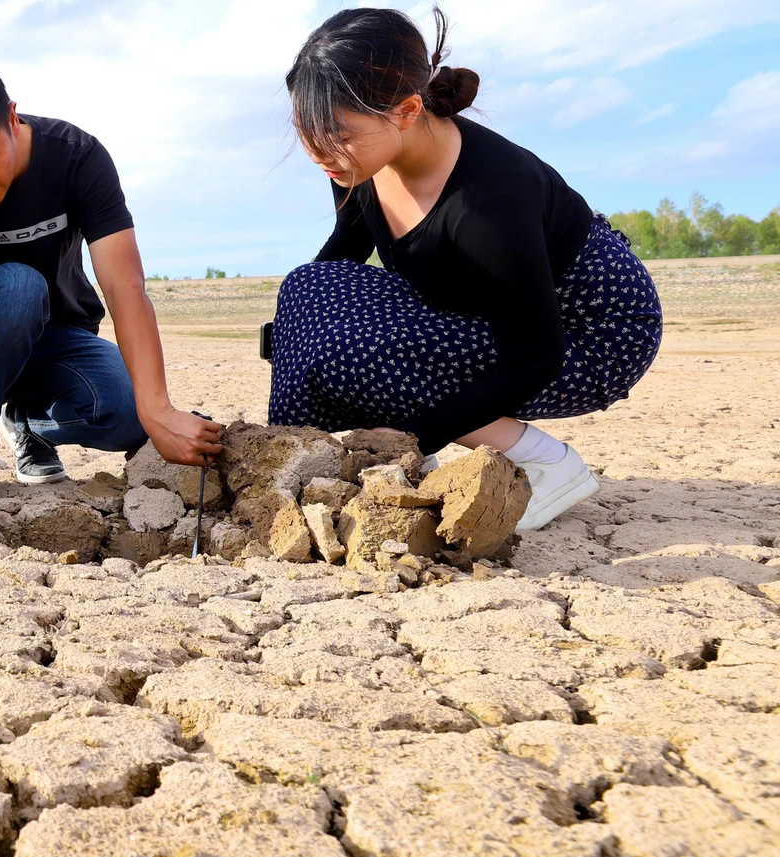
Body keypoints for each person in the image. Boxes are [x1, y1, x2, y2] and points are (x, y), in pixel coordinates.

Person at [273, 7, 662, 531]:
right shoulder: (359, 159)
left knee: (355, 353)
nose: (319, 151)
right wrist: (289, 336)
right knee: (304, 293)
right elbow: (342, 254)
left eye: (337, 133)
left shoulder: (487, 203)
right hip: (483, 310)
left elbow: (534, 355)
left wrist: (412, 436)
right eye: (306, 131)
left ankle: (545, 462)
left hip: (586, 334)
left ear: (407, 110)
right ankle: (295, 461)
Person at [0, 56, 220, 498]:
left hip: (57, 335)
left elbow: (124, 287)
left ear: (11, 118)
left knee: (127, 415)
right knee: (18, 287)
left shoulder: (76, 157)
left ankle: (28, 424)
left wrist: (157, 411)